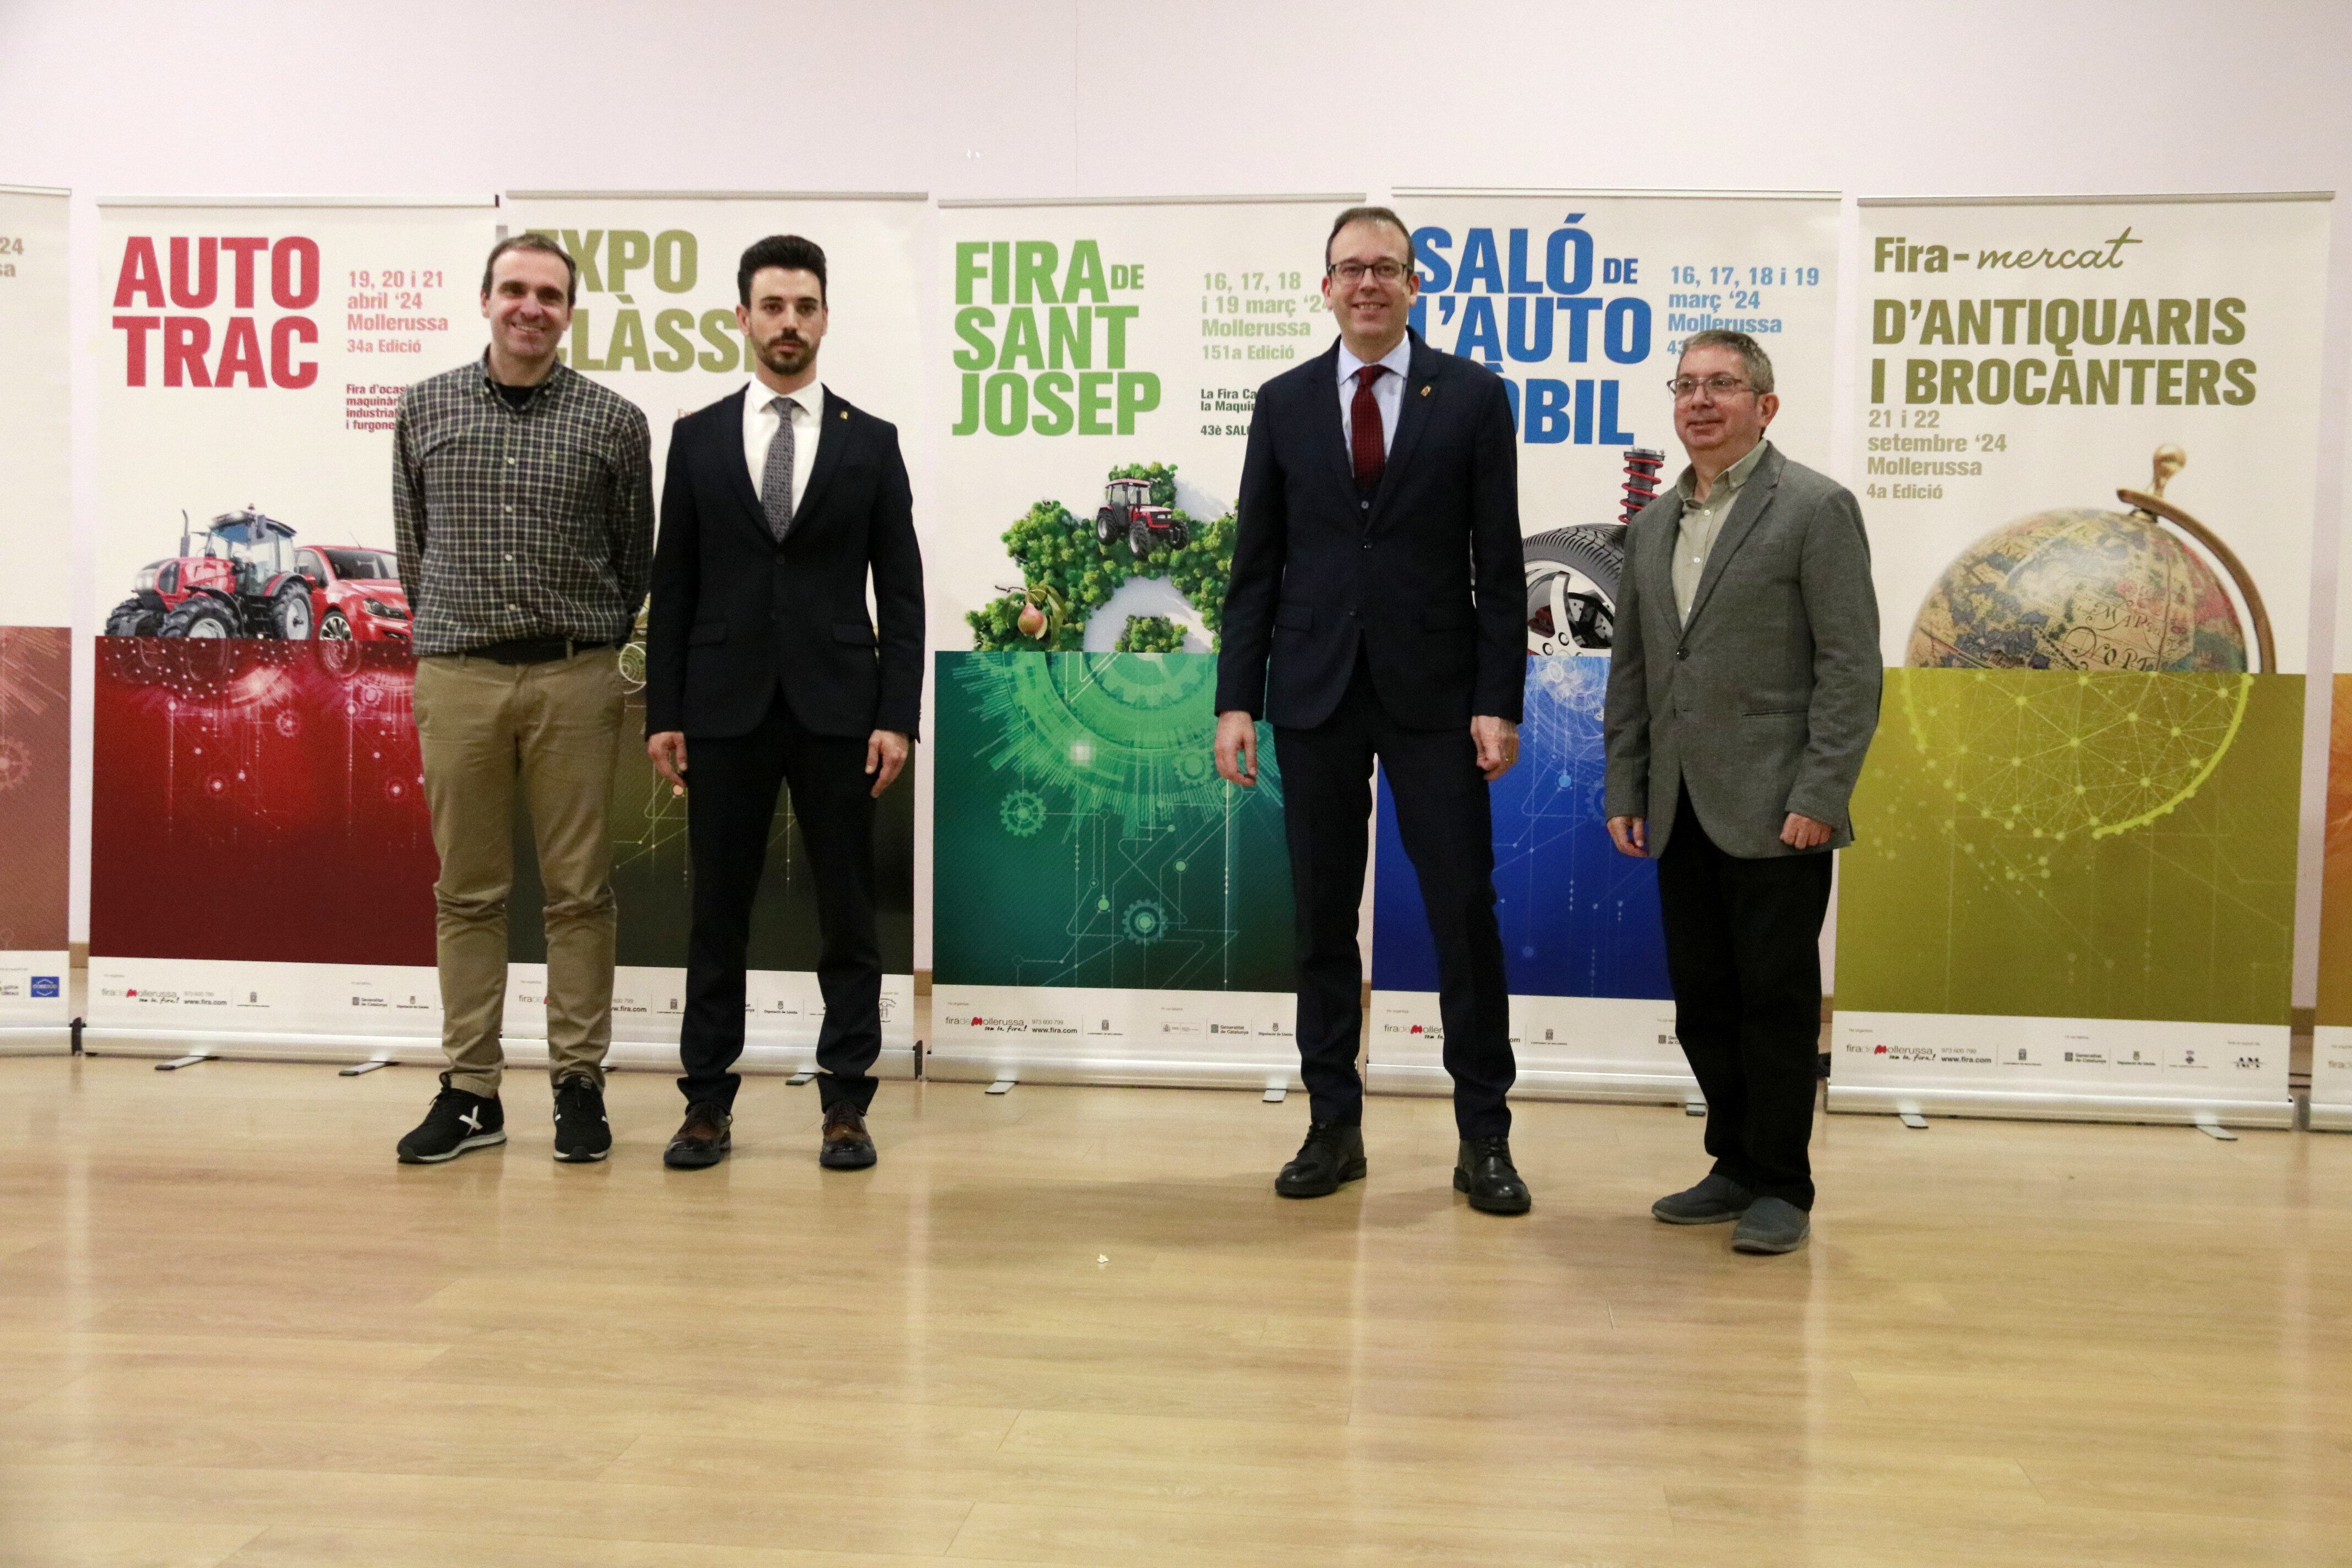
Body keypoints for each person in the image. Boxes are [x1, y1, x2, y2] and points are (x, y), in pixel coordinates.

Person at [1214, 205, 1530, 1213]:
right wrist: (1236, 703)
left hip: (1437, 701)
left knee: (1461, 915)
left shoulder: (1474, 397)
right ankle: (1331, 1127)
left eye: (1386, 268)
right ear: (1326, 287)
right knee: (1319, 921)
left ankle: (1484, 1138)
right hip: (1313, 696)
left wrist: (1497, 699)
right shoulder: (1285, 400)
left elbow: (1500, 561)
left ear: (1414, 285)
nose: (1368, 284)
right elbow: (1254, 567)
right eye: (1350, 269)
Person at [644, 235, 923, 1172]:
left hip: (843, 711)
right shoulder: (696, 437)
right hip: (722, 708)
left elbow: (906, 591)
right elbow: (673, 586)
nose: (789, 323)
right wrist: (663, 713)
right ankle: (705, 1107)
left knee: (849, 915)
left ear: (825, 317)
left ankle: (846, 1103)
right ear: (743, 318)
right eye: (772, 307)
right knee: (716, 915)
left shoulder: (870, 442)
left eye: (805, 307)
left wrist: (898, 716)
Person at [1602, 330, 1881, 1254]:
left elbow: (1849, 670)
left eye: (1722, 385)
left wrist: (1823, 791)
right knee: (1702, 1000)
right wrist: (1626, 783)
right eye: (1686, 386)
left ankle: (1782, 1185)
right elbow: (1637, 671)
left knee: (1774, 1000)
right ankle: (1731, 1163)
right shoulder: (1650, 528)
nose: (1700, 401)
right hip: (1679, 805)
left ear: (1765, 404)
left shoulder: (1814, 508)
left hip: (1779, 808)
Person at [392, 233, 654, 1165]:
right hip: (457, 675)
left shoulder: (615, 422)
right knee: (466, 891)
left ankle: (578, 1085)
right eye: (515, 290)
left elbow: (634, 563)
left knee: (580, 892)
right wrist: (459, 634)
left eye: (549, 294)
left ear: (569, 312)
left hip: (575, 677)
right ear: (486, 299)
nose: (530, 307)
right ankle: (470, 1093)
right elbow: (413, 549)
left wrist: (583, 645)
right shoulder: (424, 409)